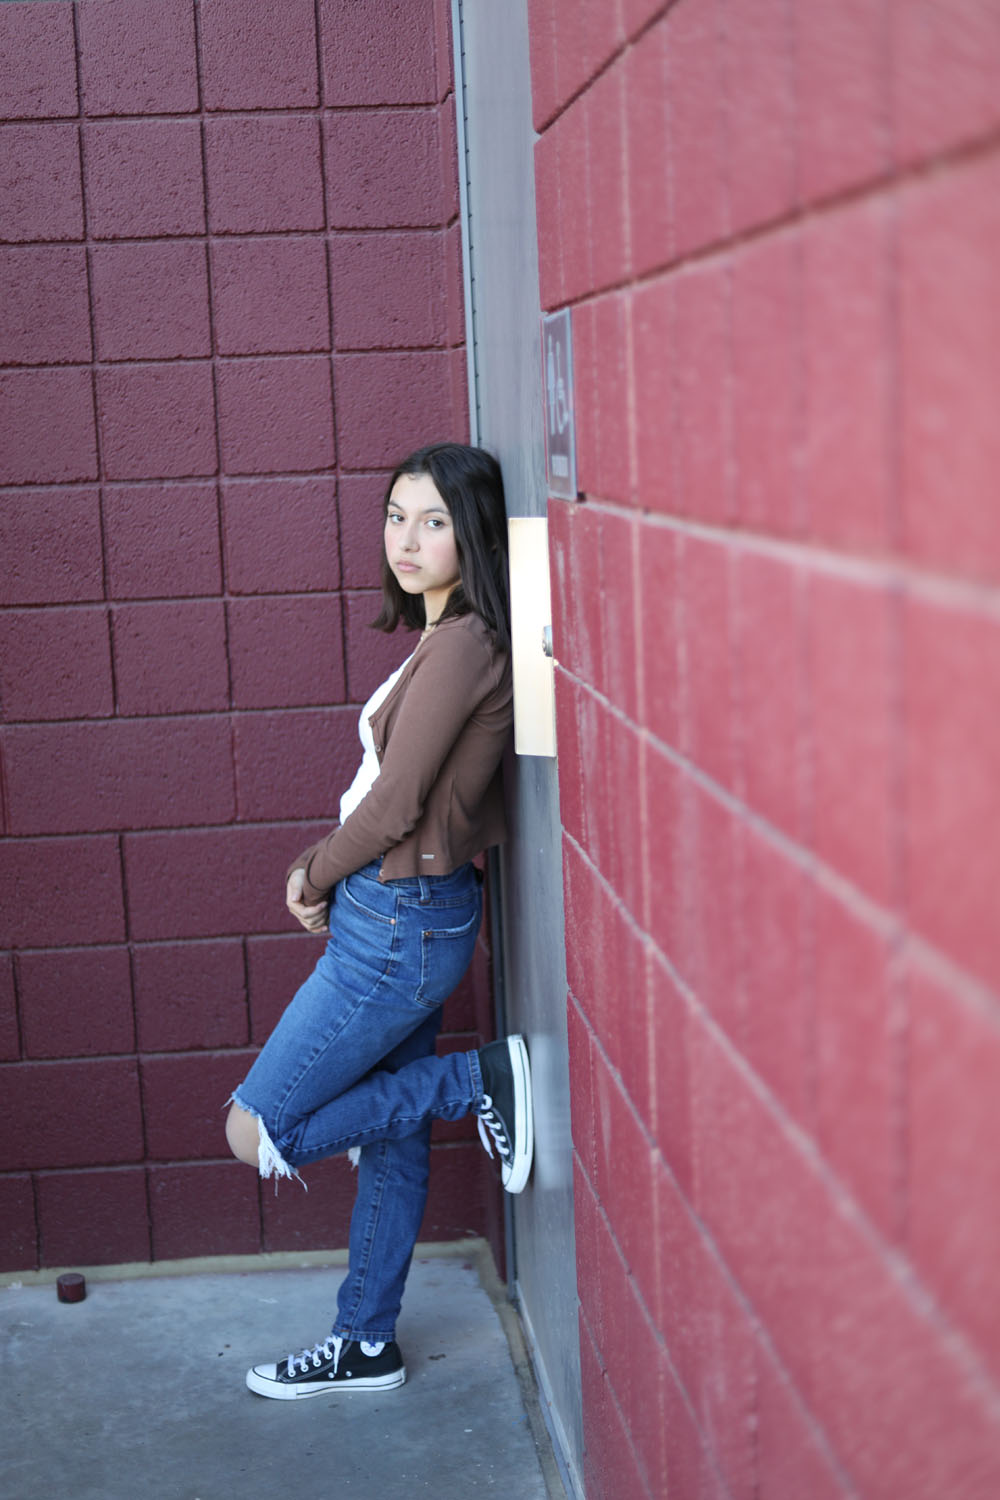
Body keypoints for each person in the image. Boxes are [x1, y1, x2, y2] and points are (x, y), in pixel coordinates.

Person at [224, 441, 532, 1400]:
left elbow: (398, 802)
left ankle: (472, 1082)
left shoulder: (470, 641)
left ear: (472, 532)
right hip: (405, 915)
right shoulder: (448, 636)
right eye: (397, 515)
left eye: (434, 520)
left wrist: (314, 870)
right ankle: (366, 1341)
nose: (407, 538)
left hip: (397, 925)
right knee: (389, 1148)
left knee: (258, 1128)